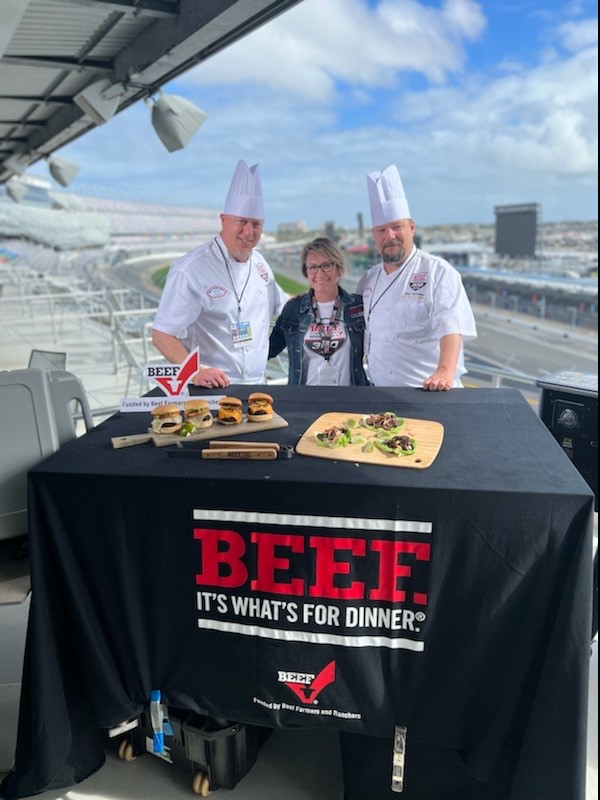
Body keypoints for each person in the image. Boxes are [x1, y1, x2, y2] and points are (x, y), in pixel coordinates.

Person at [151, 160, 287, 388]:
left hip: (258, 385)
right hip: (210, 389)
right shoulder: (190, 269)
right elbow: (162, 335)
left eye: (256, 224)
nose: (248, 231)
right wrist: (194, 372)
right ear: (223, 219)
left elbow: (284, 307)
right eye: (241, 222)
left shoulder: (261, 264)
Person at [358, 164, 477, 390]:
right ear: (374, 235)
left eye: (397, 227)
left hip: (427, 392)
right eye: (381, 230)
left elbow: (450, 326)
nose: (389, 236)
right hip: (379, 392)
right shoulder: (369, 279)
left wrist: (445, 371)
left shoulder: (438, 272)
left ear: (412, 228)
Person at [269, 238, 368, 385]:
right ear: (306, 272)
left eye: (326, 265)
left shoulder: (359, 307)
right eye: (313, 267)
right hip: (305, 403)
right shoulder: (293, 309)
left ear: (338, 268)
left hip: (350, 402)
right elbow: (268, 349)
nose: (319, 273)